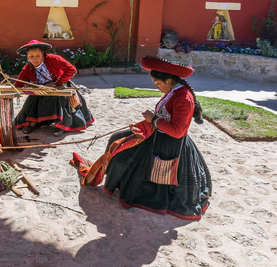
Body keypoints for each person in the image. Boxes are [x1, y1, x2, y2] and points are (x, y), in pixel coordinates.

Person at [71, 56, 212, 220]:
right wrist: (154, 120)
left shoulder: (183, 97)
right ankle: (116, 180)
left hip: (170, 146)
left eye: (158, 83)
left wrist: (153, 119)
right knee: (117, 139)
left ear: (169, 80)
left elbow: (178, 131)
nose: (157, 87)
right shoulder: (175, 91)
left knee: (125, 154)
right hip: (157, 134)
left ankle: (127, 187)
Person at [14, 40, 94, 136]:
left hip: (60, 86)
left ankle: (61, 125)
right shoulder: (27, 69)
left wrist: (56, 83)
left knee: (60, 98)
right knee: (31, 101)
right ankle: (32, 123)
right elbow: (18, 85)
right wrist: (26, 89)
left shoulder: (53, 59)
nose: (34, 59)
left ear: (42, 53)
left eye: (37, 56)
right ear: (27, 56)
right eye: (31, 56)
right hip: (42, 90)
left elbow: (72, 69)